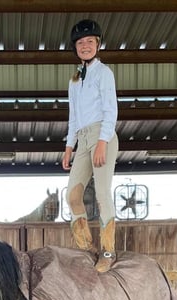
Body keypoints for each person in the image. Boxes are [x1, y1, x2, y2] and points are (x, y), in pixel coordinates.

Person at [62, 19, 119, 272]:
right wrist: (68, 146)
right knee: (72, 195)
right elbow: (73, 116)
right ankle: (88, 248)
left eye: (89, 42)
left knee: (102, 193)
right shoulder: (75, 81)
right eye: (80, 43)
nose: (85, 46)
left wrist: (102, 141)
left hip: (101, 134)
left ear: (97, 44)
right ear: (75, 48)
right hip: (82, 138)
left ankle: (108, 251)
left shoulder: (103, 73)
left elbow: (111, 109)